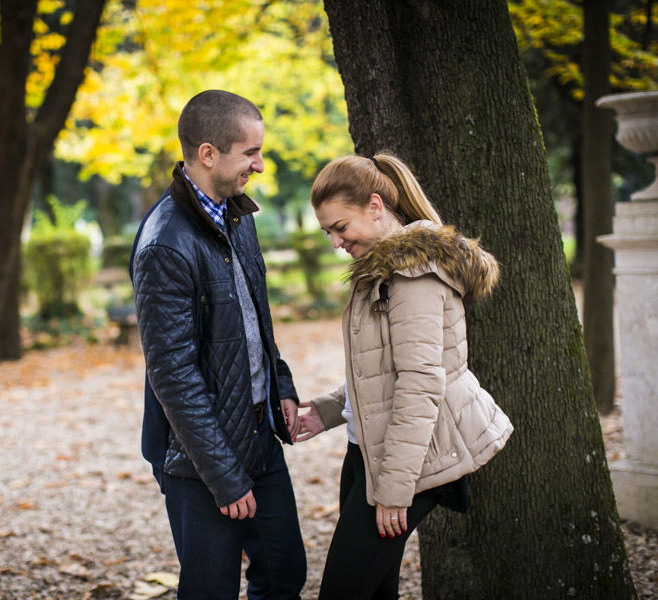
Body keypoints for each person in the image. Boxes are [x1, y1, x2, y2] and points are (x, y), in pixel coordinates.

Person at [296, 152, 513, 599]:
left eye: (341, 227)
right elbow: (382, 370)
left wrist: (396, 492)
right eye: (328, 232)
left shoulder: (413, 277)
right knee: (375, 591)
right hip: (368, 450)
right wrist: (327, 412)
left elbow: (419, 384)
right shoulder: (379, 269)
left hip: (409, 464)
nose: (336, 241)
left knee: (342, 590)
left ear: (375, 207)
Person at [129, 90, 307, 599]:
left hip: (258, 436)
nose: (261, 164)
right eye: (250, 152)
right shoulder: (164, 242)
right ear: (208, 154)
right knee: (211, 589)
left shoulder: (238, 213)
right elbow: (173, 376)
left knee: (283, 572)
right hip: (198, 459)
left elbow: (257, 319)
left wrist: (281, 386)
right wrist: (225, 478)